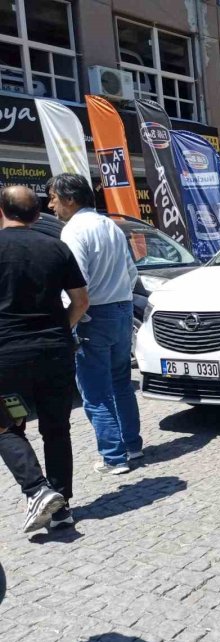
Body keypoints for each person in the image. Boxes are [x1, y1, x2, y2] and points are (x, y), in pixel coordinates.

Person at [0, 185, 89, 531]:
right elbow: (81, 301)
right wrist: (62, 331)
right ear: (37, 214)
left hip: (8, 356)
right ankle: (61, 508)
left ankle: (38, 489)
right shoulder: (57, 247)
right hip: (55, 352)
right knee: (56, 428)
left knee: (7, 424)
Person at [48, 173, 142, 475]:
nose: (50, 205)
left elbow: (77, 285)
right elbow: (131, 272)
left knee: (95, 391)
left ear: (70, 199)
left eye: (53, 198)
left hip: (93, 315)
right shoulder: (110, 225)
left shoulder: (74, 231)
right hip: (121, 309)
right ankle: (132, 444)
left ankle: (113, 457)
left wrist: (68, 324)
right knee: (121, 382)